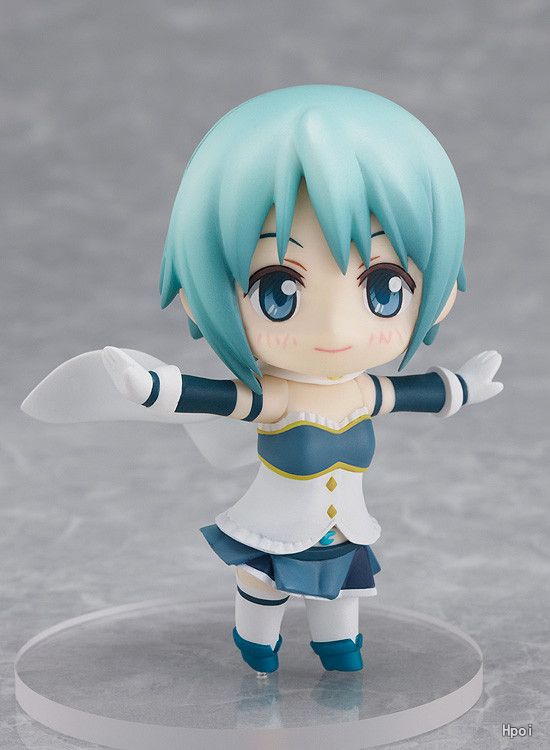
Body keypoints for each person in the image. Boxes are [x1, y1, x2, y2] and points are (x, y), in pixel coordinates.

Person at [23, 85, 503, 674]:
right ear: (203, 294)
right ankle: (256, 642)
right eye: (280, 291)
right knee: (265, 587)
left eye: (384, 288)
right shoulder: (278, 399)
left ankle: (338, 647)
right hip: (276, 527)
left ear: (440, 291)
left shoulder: (359, 392)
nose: (335, 330)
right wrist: (151, 388)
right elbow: (213, 398)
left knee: (342, 592)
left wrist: (464, 387)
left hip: (343, 530)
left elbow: (415, 394)